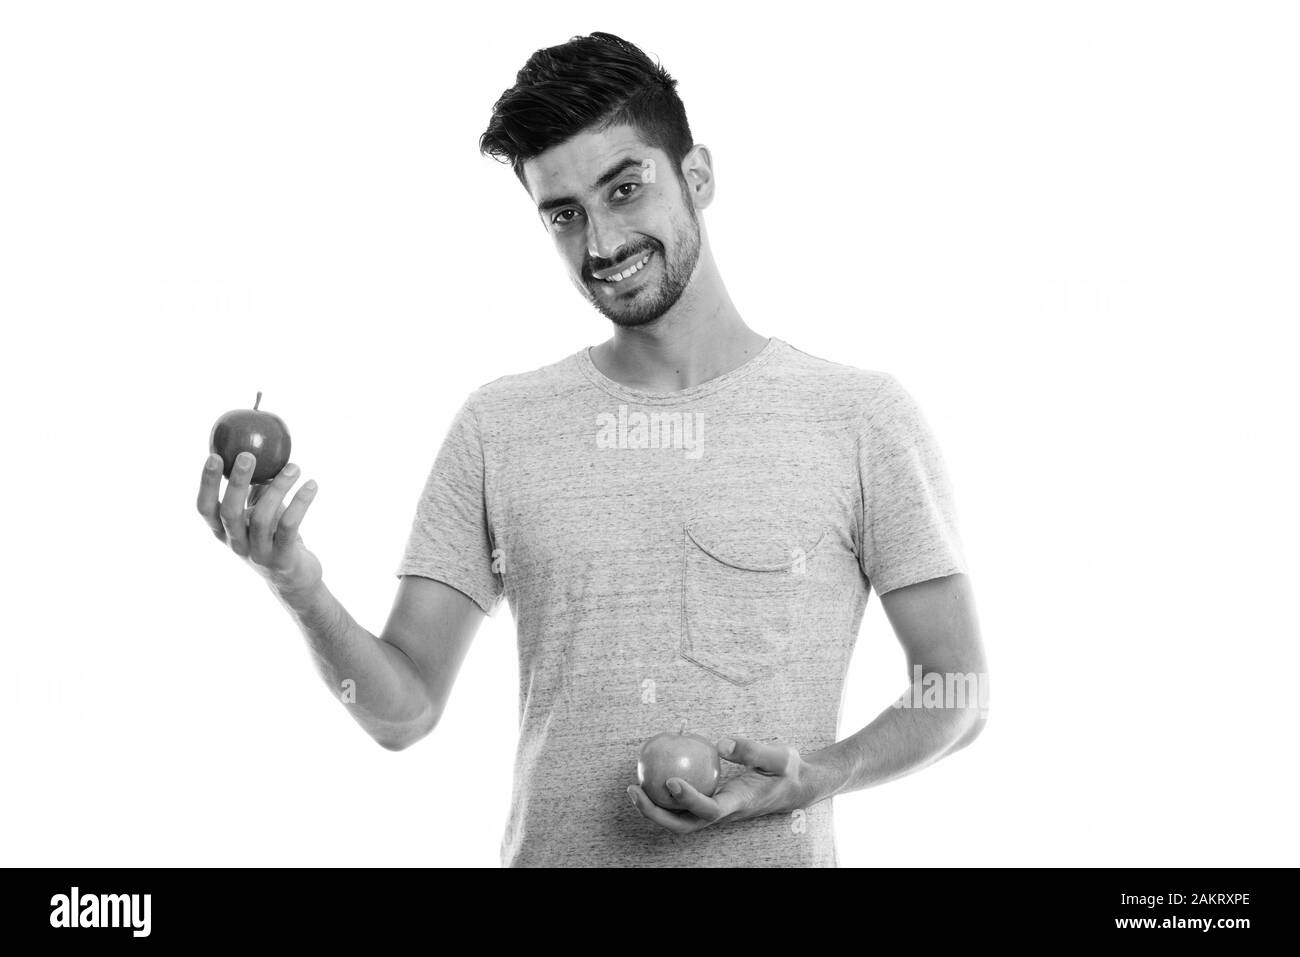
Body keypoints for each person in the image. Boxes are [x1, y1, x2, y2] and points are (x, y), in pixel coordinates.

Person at [195, 31, 988, 867]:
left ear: (699, 176)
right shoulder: (499, 427)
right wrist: (297, 585)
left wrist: (817, 774)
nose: (602, 245)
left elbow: (957, 692)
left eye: (625, 188)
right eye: (564, 214)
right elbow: (404, 712)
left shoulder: (859, 418)